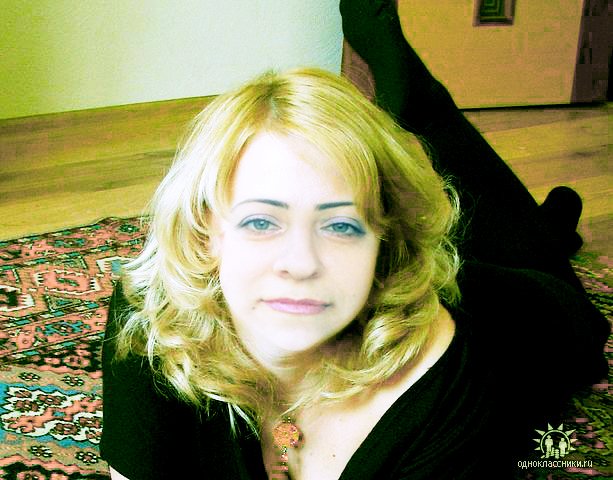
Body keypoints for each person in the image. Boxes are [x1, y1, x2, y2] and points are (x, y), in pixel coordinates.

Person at [100, 1, 609, 478]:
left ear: (383, 242)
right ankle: (552, 224)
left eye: (340, 226)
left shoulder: (446, 392)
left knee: (562, 296)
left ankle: (431, 113)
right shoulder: (152, 321)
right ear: (204, 233)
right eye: (261, 222)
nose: (300, 263)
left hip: (538, 315)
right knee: (525, 234)